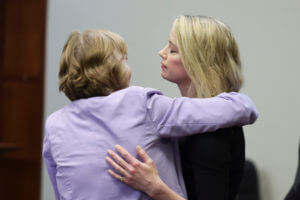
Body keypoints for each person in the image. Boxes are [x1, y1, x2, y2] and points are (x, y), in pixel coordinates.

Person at [43, 29, 257, 200]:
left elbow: (61, 189)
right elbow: (238, 110)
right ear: (112, 70)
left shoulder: (54, 124)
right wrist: (242, 100)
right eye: (124, 60)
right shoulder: (141, 103)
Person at [107, 15, 253, 200]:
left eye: (173, 50)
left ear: (197, 62)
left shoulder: (212, 135)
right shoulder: (190, 122)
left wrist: (154, 187)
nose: (162, 52)